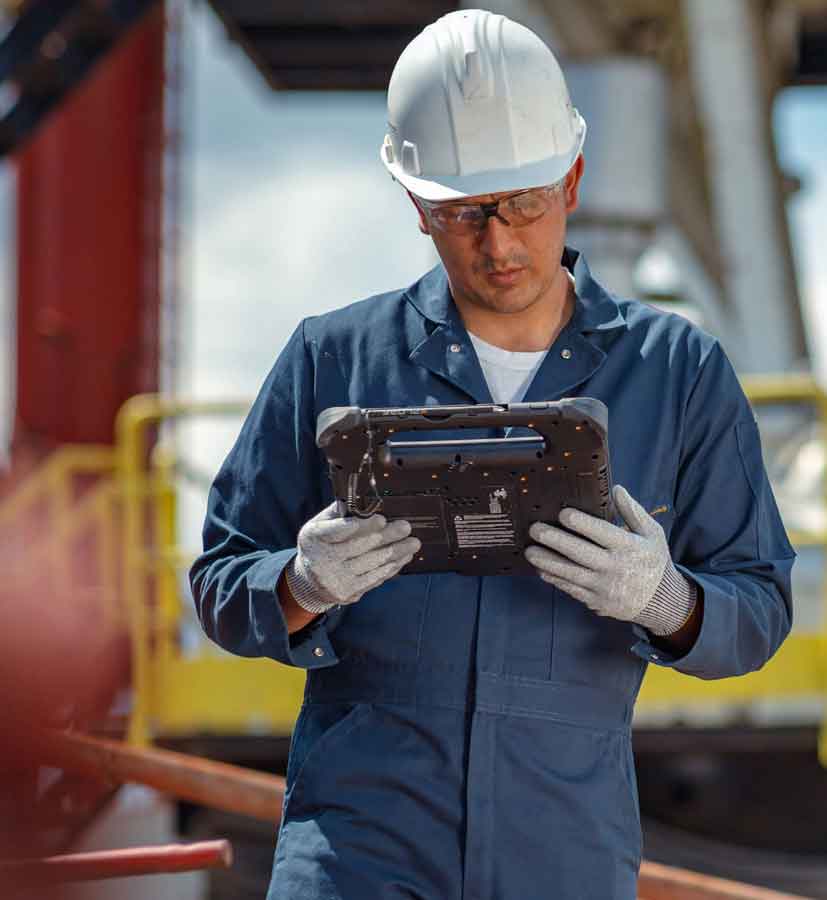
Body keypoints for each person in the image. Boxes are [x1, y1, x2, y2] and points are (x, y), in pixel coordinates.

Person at [190, 8, 794, 899]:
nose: (501, 243)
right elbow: (219, 584)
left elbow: (761, 603)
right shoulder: (333, 357)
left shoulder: (677, 372)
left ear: (574, 179)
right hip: (361, 845)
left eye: (524, 204)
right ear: (416, 205)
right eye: (467, 213)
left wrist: (667, 600)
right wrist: (300, 585)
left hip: (561, 847)